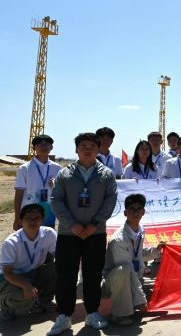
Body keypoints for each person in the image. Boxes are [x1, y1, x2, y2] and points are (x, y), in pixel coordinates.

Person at [48, 132, 117, 335]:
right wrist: (71, 224)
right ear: (76, 149)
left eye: (92, 146)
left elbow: (110, 200)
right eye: (83, 146)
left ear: (98, 149)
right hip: (69, 234)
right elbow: (56, 200)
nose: (87, 150)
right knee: (65, 275)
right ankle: (64, 316)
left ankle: (92, 313)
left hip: (95, 233)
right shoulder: (65, 174)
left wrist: (95, 224)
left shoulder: (106, 174)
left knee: (93, 274)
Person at [102, 194, 165, 326]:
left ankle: (132, 301)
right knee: (123, 270)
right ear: (125, 213)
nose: (136, 212)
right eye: (132, 209)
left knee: (158, 300)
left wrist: (156, 250)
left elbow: (138, 254)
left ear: (143, 212)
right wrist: (141, 299)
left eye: (139, 209)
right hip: (112, 282)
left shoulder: (140, 230)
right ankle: (119, 315)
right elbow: (128, 268)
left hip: (133, 277)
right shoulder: (118, 239)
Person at [0, 204, 57, 321]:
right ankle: (5, 303)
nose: (32, 221)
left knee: (60, 268)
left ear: (42, 220)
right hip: (12, 278)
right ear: (21, 221)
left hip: (33, 273)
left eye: (36, 218)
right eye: (28, 218)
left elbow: (60, 257)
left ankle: (42, 302)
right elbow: (7, 273)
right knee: (23, 297)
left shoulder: (49, 233)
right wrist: (26, 286)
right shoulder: (11, 243)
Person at [14, 134, 61, 230]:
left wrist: (56, 185)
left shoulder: (57, 168)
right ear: (34, 148)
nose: (43, 147)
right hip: (28, 214)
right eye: (39, 144)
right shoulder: (24, 168)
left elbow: (62, 192)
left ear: (51, 147)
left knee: (47, 237)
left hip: (49, 214)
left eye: (46, 144)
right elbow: (19, 194)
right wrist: (17, 217)